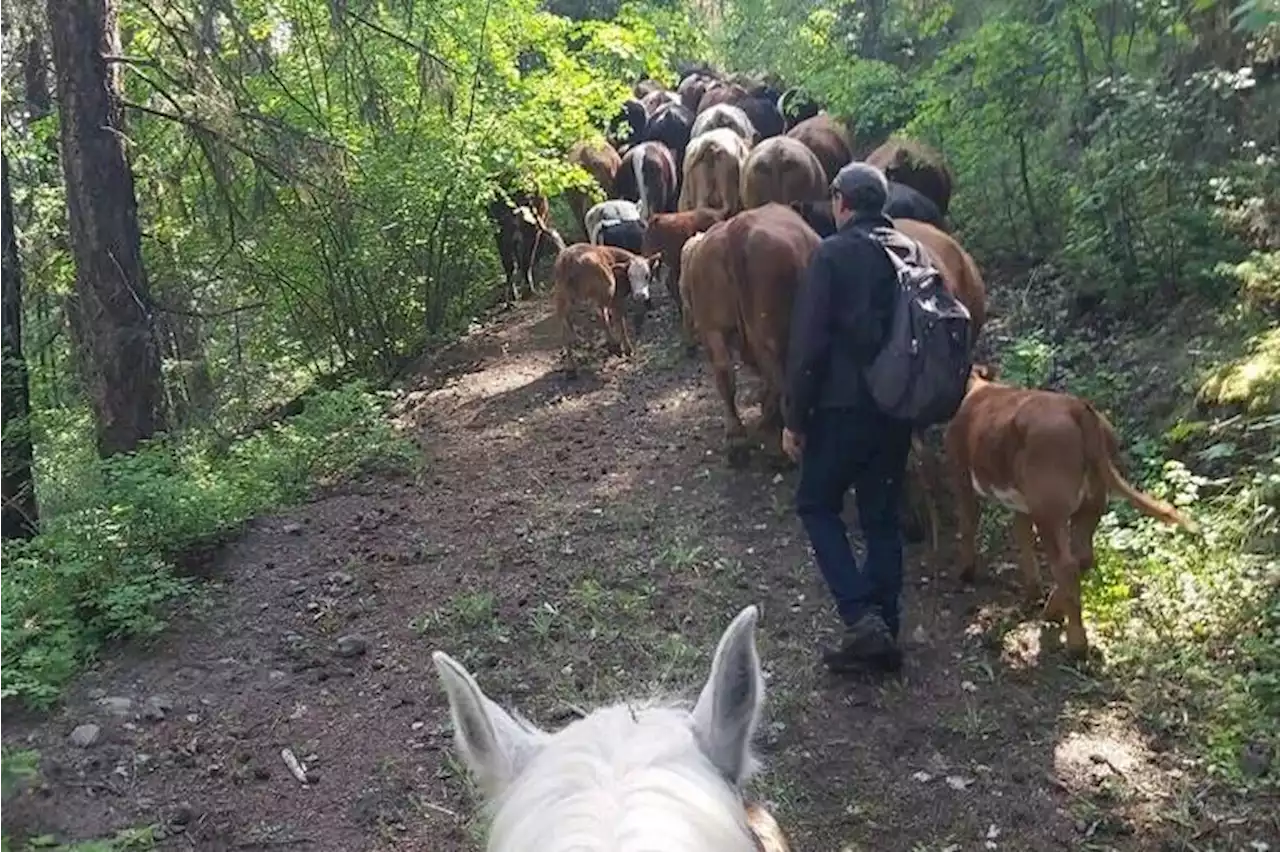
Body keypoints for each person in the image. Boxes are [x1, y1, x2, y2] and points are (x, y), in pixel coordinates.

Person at [782, 162, 914, 675]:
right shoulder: (911, 251)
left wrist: (794, 416)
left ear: (841, 202)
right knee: (881, 514)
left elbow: (809, 344)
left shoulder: (832, 254)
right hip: (898, 407)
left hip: (841, 408)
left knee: (816, 504)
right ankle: (885, 623)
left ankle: (861, 618)